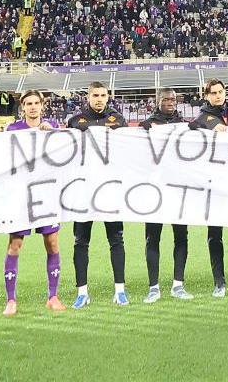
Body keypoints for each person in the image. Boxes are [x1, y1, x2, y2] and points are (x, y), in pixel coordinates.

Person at [2, 90, 67, 315]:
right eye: (28, 103)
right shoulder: (13, 130)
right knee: (15, 244)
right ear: (22, 107)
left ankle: (53, 296)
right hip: (21, 195)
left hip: (46, 194)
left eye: (36, 103)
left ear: (42, 106)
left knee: (52, 243)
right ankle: (11, 300)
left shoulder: (52, 127)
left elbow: (63, 159)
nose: (32, 107)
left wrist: (53, 137)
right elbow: (4, 159)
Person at [67, 82, 129, 307]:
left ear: (108, 96)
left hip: (110, 188)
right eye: (95, 95)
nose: (99, 99)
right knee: (81, 241)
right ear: (88, 97)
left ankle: (120, 290)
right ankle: (82, 292)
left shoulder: (118, 120)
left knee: (116, 239)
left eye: (103, 95)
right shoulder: (75, 121)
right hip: (83, 189)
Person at [190, 79, 228, 297]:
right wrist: (210, 126)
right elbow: (191, 127)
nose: (217, 95)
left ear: (225, 92)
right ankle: (219, 283)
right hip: (213, 183)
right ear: (206, 95)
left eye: (220, 91)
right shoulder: (202, 117)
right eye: (213, 92)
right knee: (215, 234)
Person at [138, 89, 193, 304]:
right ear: (158, 102)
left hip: (179, 189)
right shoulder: (147, 125)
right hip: (154, 190)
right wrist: (144, 129)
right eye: (166, 99)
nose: (170, 102)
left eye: (173, 99)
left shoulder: (185, 125)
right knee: (153, 238)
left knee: (181, 237)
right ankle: (154, 287)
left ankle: (178, 285)